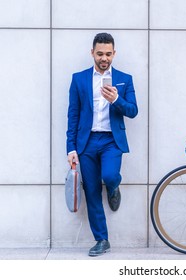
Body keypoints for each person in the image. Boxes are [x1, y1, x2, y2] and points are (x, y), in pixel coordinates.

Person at [66, 32, 138, 257]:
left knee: (108, 176)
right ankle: (102, 240)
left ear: (114, 54)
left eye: (108, 54)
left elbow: (133, 111)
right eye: (100, 54)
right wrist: (71, 148)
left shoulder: (125, 78)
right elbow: (73, 115)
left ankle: (114, 187)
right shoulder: (79, 79)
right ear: (92, 53)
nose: (104, 58)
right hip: (86, 143)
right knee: (92, 192)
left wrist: (116, 100)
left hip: (111, 141)